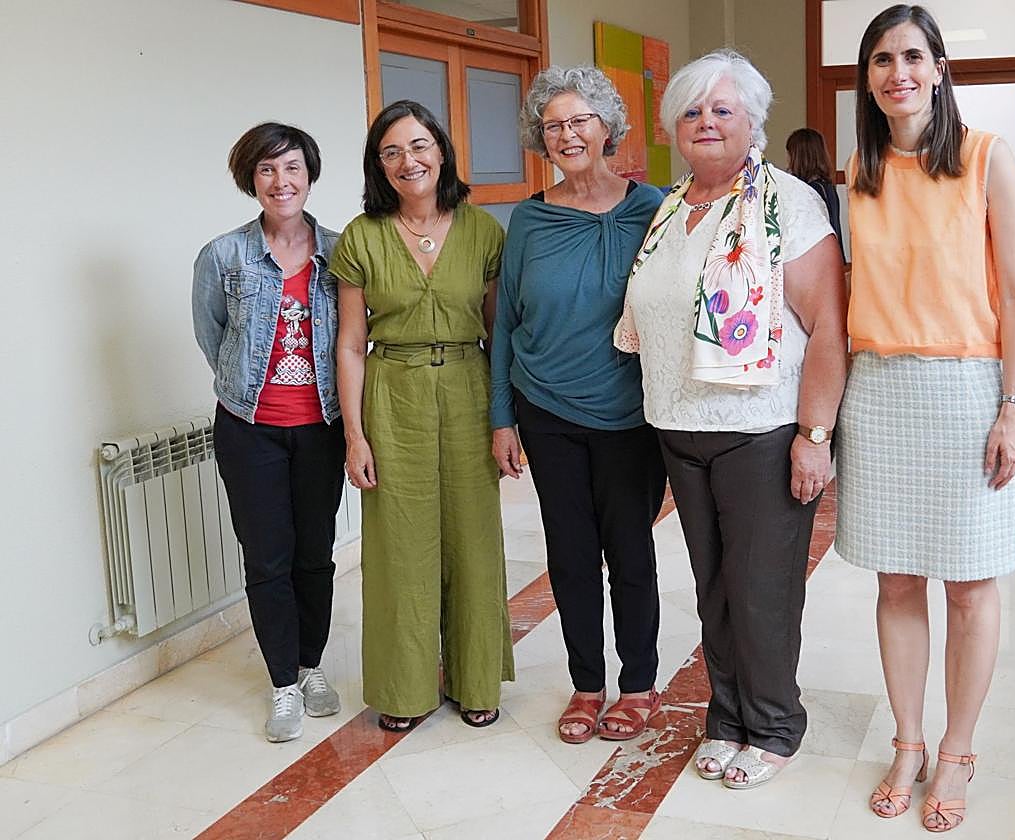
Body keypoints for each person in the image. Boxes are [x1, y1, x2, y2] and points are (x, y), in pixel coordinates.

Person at [614, 50, 848, 789]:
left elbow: (829, 331)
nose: (706, 122)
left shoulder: (788, 202)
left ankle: (775, 723)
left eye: (723, 109)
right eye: (691, 111)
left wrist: (814, 436)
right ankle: (727, 716)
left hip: (762, 428)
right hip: (680, 429)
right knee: (713, 584)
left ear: (753, 120)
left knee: (762, 588)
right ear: (672, 129)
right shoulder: (669, 205)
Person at [835, 5, 1015, 832]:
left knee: (971, 585)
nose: (898, 73)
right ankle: (909, 741)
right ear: (869, 78)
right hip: (878, 387)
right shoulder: (861, 169)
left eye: (912, 56)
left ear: (941, 67)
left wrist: (1013, 406)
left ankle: (957, 750)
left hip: (967, 387)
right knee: (895, 578)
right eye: (881, 60)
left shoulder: (988, 161)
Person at [490, 66, 667, 745]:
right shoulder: (529, 220)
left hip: (630, 412)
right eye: (553, 125)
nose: (566, 134)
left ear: (606, 128)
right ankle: (587, 686)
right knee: (568, 553)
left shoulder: (652, 208)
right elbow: (505, 321)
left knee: (629, 552)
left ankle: (640, 685)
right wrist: (502, 415)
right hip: (546, 407)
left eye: (579, 121)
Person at [331, 100, 514, 731]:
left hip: (469, 387)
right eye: (391, 152)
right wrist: (355, 435)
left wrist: (504, 419)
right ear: (378, 167)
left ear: (441, 151)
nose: (407, 161)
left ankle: (475, 677)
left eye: (417, 146)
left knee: (472, 534)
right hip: (393, 394)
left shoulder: (485, 231)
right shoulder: (362, 236)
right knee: (399, 545)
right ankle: (405, 687)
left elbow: (501, 336)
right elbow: (351, 345)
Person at [192, 123, 345, 743]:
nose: (281, 183)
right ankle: (283, 682)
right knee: (267, 557)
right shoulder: (223, 255)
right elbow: (213, 334)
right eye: (266, 171)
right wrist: (248, 389)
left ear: (309, 175)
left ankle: (311, 666)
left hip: (322, 428)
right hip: (249, 430)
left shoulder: (340, 251)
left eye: (291, 169)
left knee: (315, 554)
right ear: (250, 180)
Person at [785, 127, 845, 260]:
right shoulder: (826, 186)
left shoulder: (810, 191)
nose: (788, 161)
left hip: (820, 261)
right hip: (833, 258)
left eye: (790, 155)